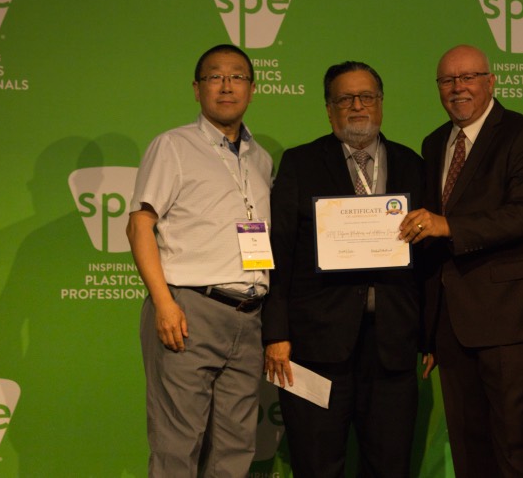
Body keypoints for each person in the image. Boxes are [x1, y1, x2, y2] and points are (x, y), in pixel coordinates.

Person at [399, 45, 523, 477]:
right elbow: (431, 245)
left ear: (491, 81)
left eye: (468, 77)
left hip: (514, 322)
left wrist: (449, 225)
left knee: (516, 449)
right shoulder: (435, 142)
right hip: (454, 328)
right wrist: (430, 331)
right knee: (468, 451)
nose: (458, 87)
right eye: (447, 80)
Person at [263, 61, 425, 477]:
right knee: (316, 464)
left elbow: (430, 259)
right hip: (315, 345)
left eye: (366, 96)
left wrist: (430, 334)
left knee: (390, 466)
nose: (357, 106)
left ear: (381, 103)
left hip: (392, 344)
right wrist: (276, 332)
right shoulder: (300, 163)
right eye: (345, 98)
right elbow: (278, 251)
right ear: (328, 109)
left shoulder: (412, 164)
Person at [126, 44, 273, 477]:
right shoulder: (173, 146)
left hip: (249, 316)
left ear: (252, 88)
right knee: (177, 446)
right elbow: (139, 225)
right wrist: (164, 302)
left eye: (237, 77)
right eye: (215, 77)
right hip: (189, 310)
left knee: (235, 450)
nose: (227, 86)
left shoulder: (261, 158)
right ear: (197, 89)